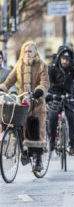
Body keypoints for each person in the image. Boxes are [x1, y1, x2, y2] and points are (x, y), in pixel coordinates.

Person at [0, 41, 50, 172]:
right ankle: (24, 151)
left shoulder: (41, 65)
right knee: (19, 125)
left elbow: (45, 82)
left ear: (35, 52)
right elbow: (10, 80)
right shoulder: (19, 64)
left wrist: (39, 91)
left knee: (37, 129)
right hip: (23, 101)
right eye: (25, 51)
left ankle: (38, 159)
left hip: (37, 103)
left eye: (30, 51)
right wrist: (3, 87)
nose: (27, 54)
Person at [47, 46, 74, 156]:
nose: (65, 61)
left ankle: (72, 146)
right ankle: (51, 141)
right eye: (63, 58)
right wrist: (49, 95)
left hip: (70, 96)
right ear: (59, 58)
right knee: (53, 116)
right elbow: (47, 83)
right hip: (55, 96)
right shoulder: (52, 68)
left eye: (68, 59)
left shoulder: (73, 68)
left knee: (72, 118)